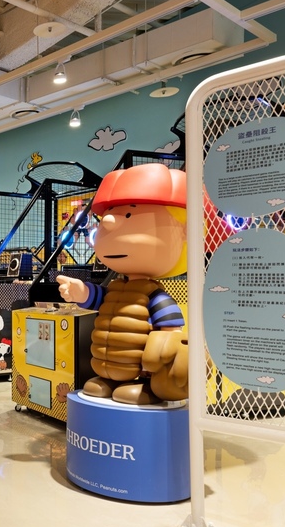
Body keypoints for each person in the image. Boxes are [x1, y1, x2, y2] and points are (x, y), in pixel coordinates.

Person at [56, 163, 188, 405]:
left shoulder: (156, 296)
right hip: (105, 365)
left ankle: (144, 386)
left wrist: (161, 359)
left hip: (140, 371)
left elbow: (170, 332)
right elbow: (99, 298)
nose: (107, 222)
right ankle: (111, 381)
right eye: (108, 215)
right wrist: (81, 291)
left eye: (128, 215)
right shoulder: (116, 289)